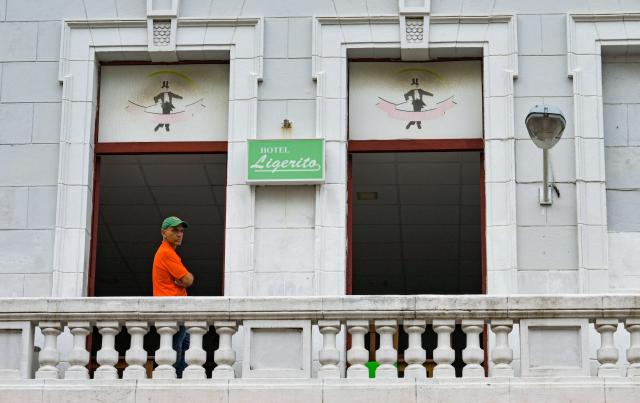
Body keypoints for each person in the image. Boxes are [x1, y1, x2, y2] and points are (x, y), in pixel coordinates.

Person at [152, 216, 194, 378]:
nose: (179, 234)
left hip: (176, 309)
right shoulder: (166, 253)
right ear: (164, 232)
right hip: (173, 309)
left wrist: (184, 280)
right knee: (175, 355)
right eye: (174, 230)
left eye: (181, 231)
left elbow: (186, 279)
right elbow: (188, 279)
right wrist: (185, 280)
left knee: (185, 352)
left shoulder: (168, 253)